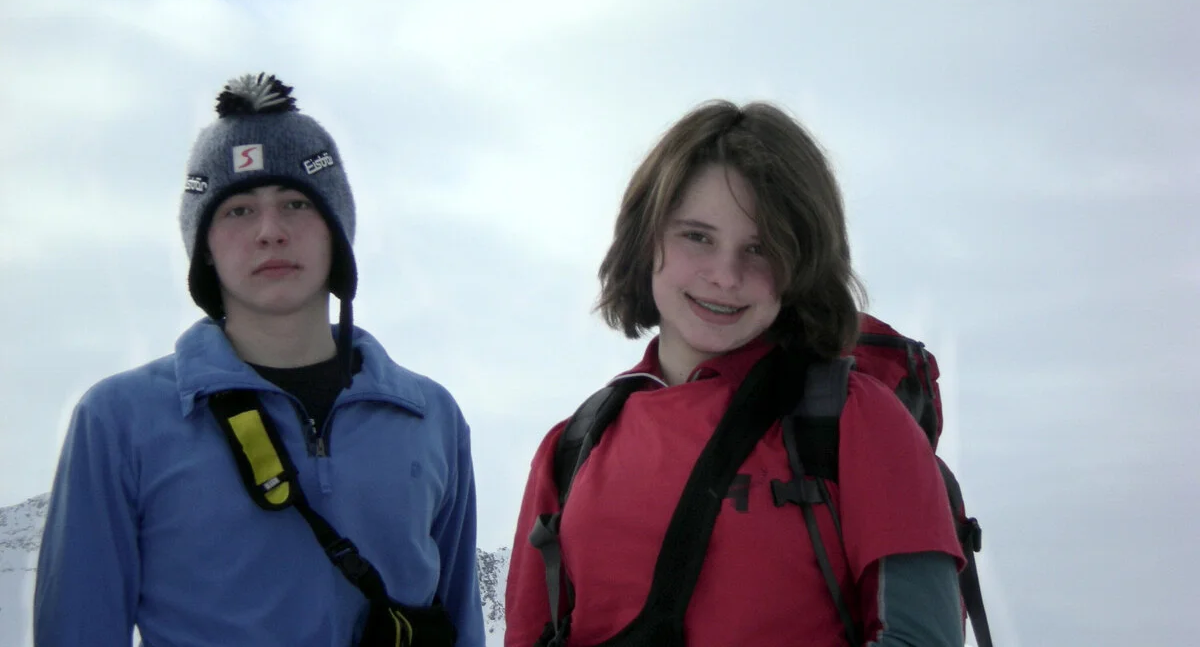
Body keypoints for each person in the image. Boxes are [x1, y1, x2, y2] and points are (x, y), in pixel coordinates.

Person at [34, 73, 485, 647]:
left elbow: (460, 621)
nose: (271, 232)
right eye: (238, 211)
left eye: (296, 204)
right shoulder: (120, 420)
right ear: (204, 247)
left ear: (336, 231)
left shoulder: (429, 416)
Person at [504, 100, 966, 646]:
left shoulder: (857, 420)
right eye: (697, 236)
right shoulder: (573, 447)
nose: (725, 275)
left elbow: (920, 636)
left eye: (761, 248)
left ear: (804, 266)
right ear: (645, 238)